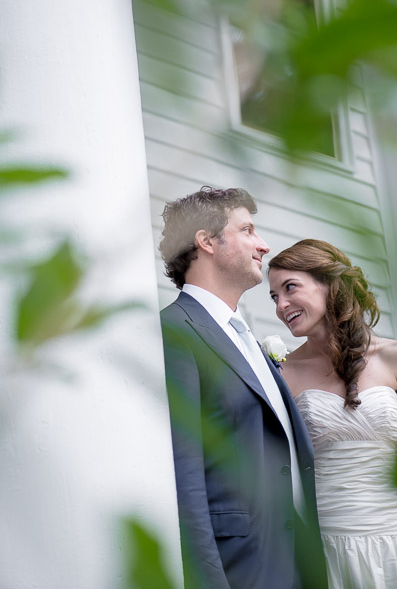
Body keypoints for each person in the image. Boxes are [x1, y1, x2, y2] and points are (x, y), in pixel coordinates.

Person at [267, 238, 397, 589]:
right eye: (274, 297)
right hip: (327, 549)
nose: (281, 305)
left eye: (290, 288)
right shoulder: (282, 372)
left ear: (329, 283)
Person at [159, 186, 327, 589]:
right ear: (205, 241)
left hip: (295, 563)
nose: (264, 245)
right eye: (248, 230)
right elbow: (185, 477)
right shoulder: (175, 331)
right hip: (242, 569)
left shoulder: (248, 336)